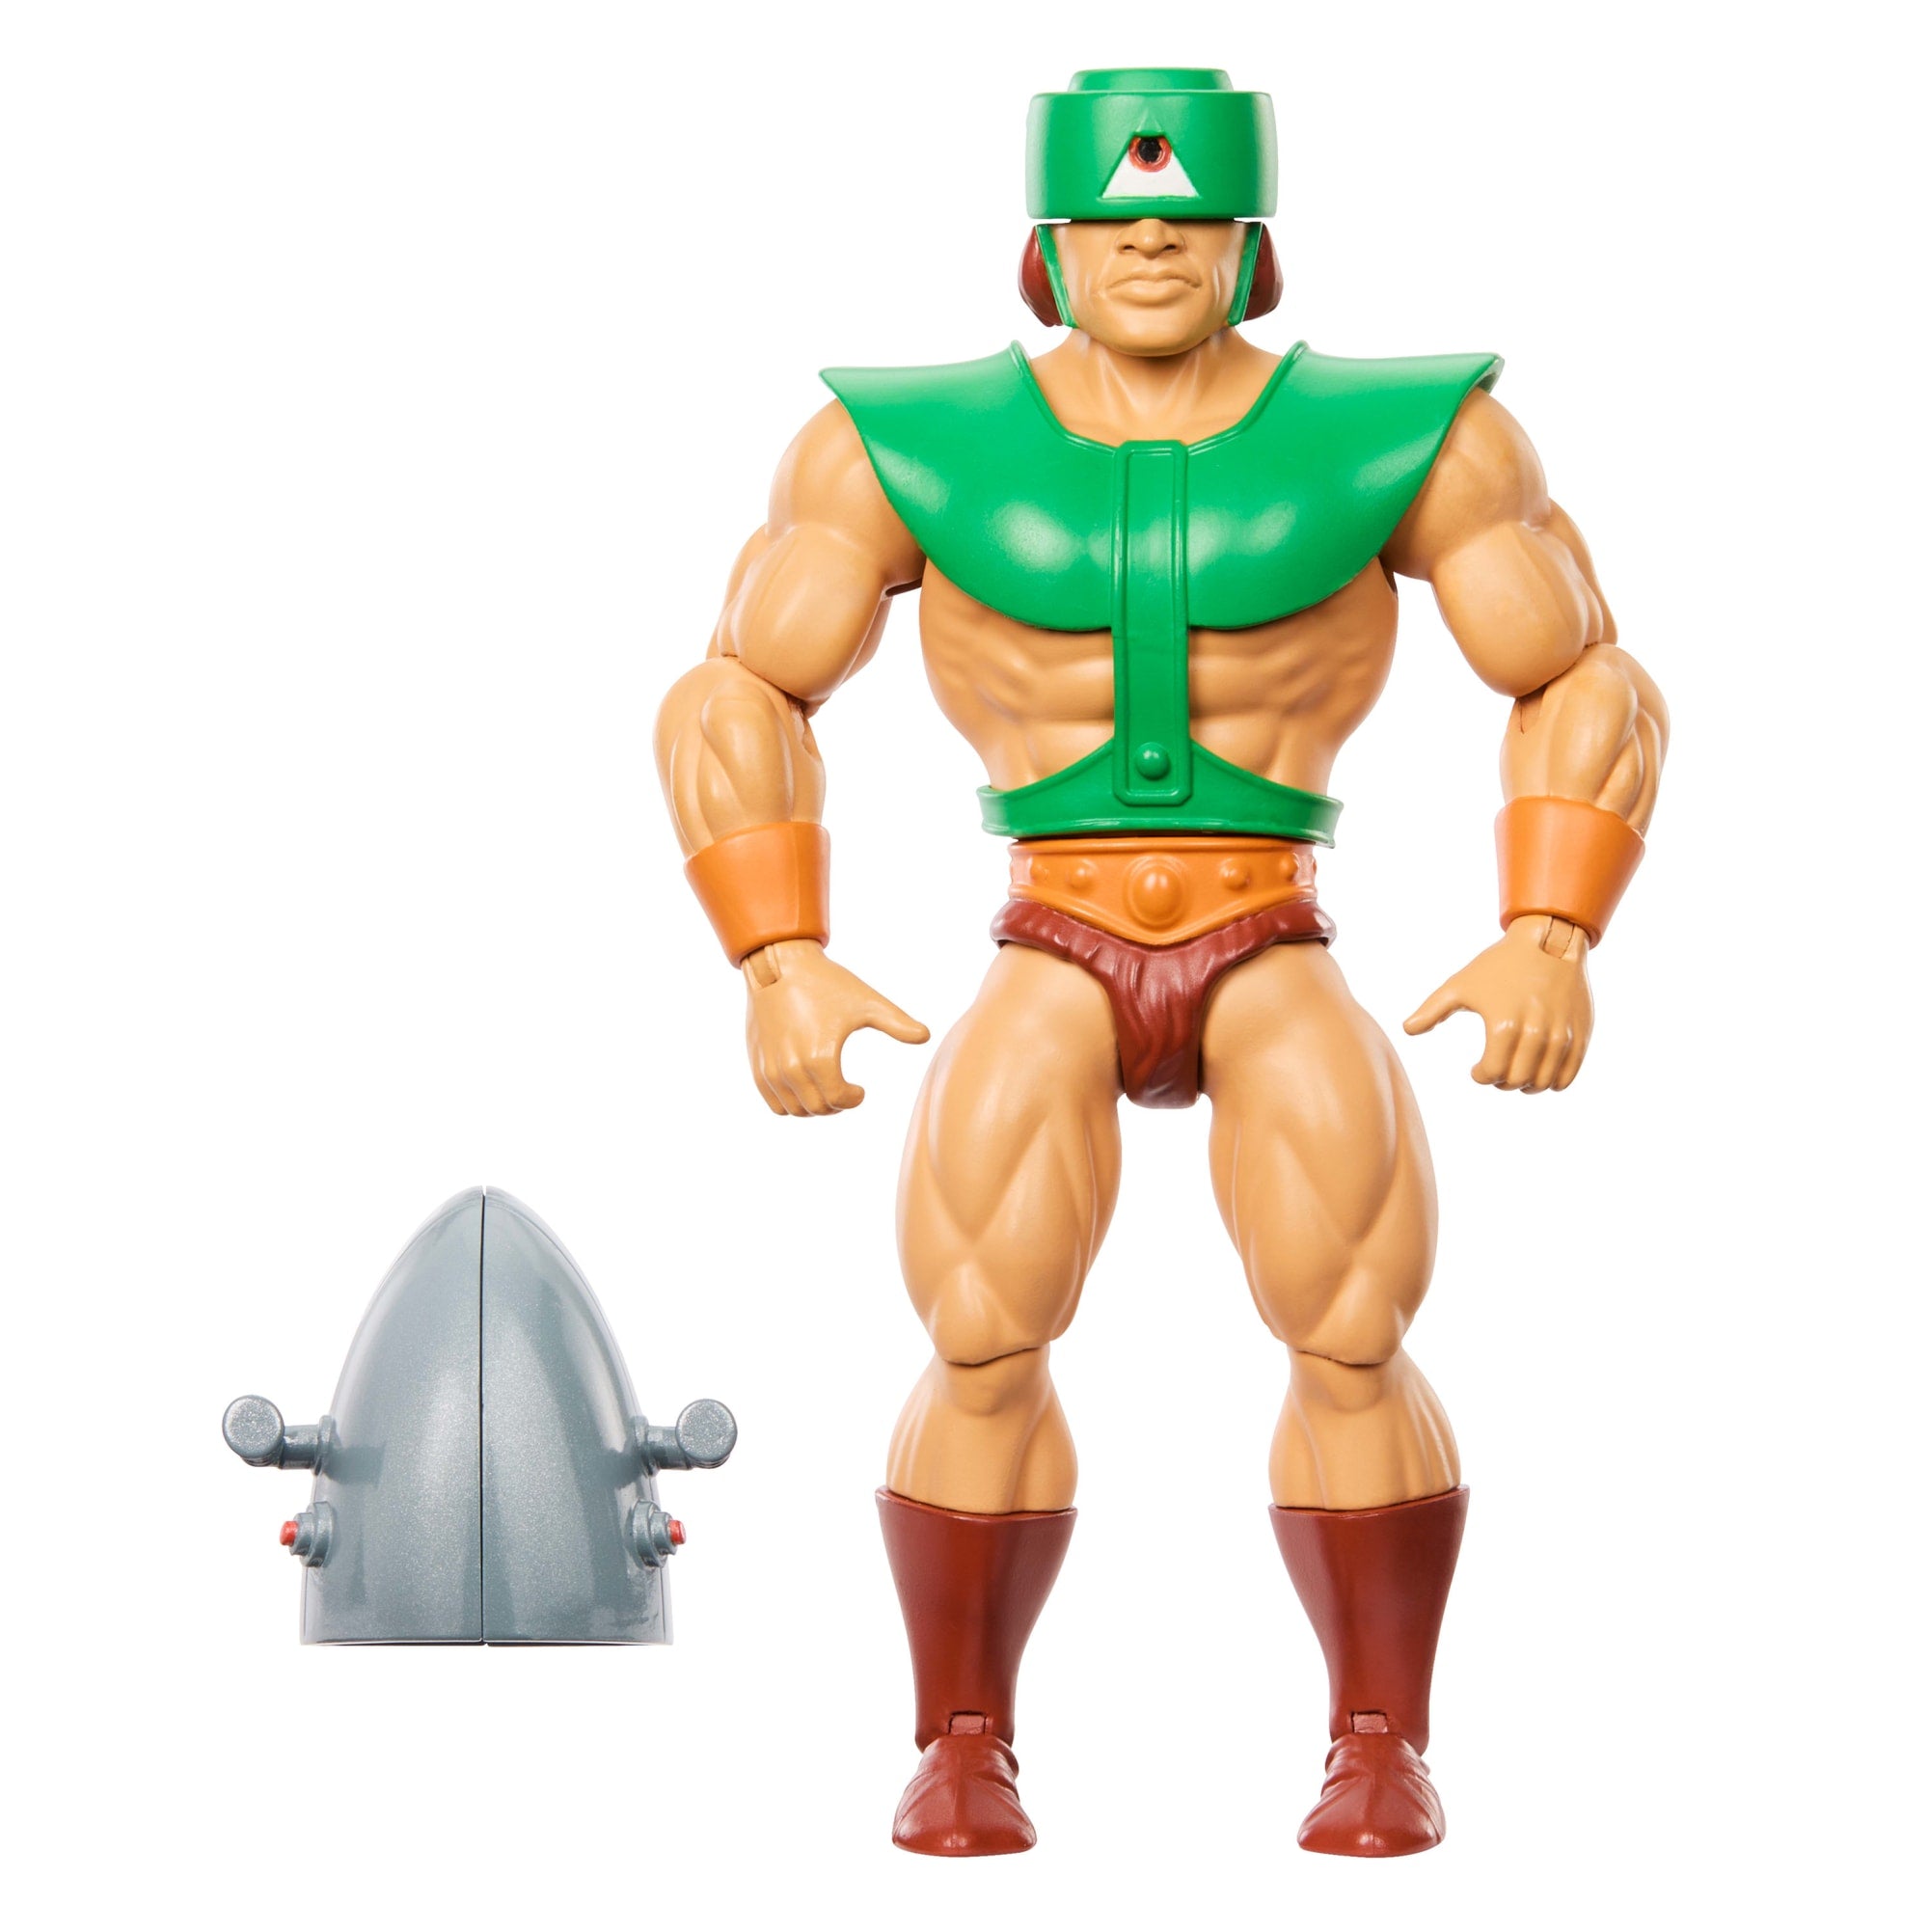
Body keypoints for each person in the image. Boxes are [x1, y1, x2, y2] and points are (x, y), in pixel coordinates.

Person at [656, 67, 1666, 1859]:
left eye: (1188, 219)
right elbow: (738, 688)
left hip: (1268, 915)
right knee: (979, 1328)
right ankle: (962, 1736)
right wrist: (777, 956)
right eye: (1113, 220)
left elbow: (1583, 672)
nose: (1148, 245)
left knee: (1353, 1324)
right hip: (1050, 921)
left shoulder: (1419, 439)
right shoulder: (892, 446)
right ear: (1044, 249)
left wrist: (1551, 929)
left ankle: (1381, 1738)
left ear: (1252, 247)